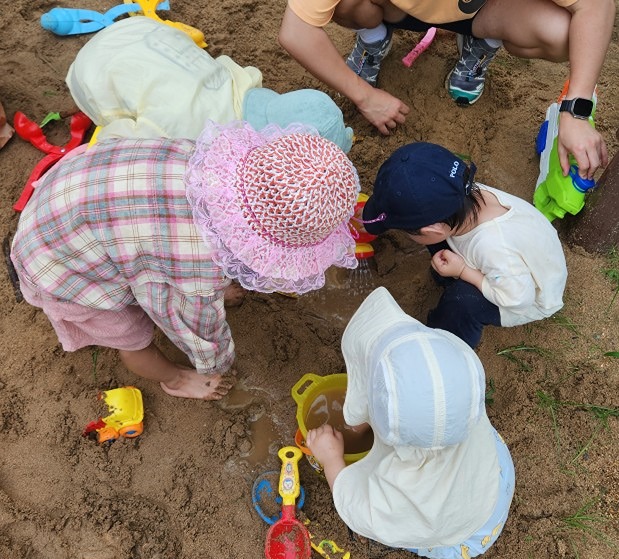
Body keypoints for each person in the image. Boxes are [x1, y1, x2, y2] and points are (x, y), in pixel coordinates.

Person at [10, 120, 361, 400]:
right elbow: (192, 325)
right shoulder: (198, 270)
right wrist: (215, 364)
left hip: (69, 190)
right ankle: (176, 379)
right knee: (133, 338)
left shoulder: (204, 161)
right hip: (60, 265)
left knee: (156, 267)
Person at [278, 0, 613, 179]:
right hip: (393, 6)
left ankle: (483, 39)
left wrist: (576, 110)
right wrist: (364, 97)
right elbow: (296, 30)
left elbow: (596, 5)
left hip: (482, 8)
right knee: (346, 4)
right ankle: (373, 36)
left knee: (560, 33)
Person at [306, 286, 515, 558]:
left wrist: (332, 458)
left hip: (462, 533)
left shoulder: (405, 493)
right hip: (494, 479)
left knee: (406, 527)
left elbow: (358, 508)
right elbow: (419, 406)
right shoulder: (459, 395)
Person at [361, 141, 568, 348]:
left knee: (460, 301)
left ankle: (447, 344)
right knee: (443, 247)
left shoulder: (492, 246)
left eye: (407, 231)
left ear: (433, 229)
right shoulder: (461, 193)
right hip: (510, 264)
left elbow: (518, 299)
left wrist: (463, 271)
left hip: (527, 295)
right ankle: (449, 276)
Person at [66, 15, 354, 152]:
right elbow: (113, 143)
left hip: (148, 33)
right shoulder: (185, 132)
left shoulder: (243, 83)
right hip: (94, 70)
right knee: (116, 122)